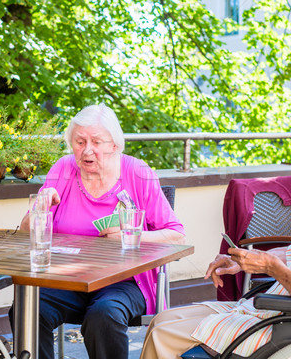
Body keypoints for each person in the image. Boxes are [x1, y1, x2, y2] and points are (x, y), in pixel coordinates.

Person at [140, 105, 291, 358]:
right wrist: (247, 262)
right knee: (161, 320)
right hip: (282, 314)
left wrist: (271, 267)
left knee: (163, 335)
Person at [14, 103, 186, 359]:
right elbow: (25, 231)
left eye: (96, 141)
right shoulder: (63, 169)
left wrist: (132, 235)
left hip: (124, 282)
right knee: (27, 308)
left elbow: (177, 235)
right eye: (80, 141)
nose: (87, 150)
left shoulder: (138, 173)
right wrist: (37, 210)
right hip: (68, 279)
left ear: (115, 145)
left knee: (103, 316)